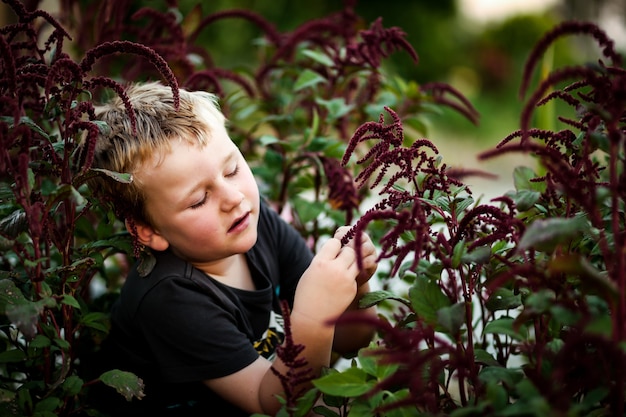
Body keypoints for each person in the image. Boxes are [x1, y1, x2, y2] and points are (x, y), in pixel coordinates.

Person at [87, 81, 378, 416]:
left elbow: (350, 341)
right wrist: (312, 317)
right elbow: (272, 404)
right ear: (148, 231)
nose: (233, 198)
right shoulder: (169, 296)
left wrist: (355, 287)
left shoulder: (257, 223)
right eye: (198, 200)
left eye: (232, 169)